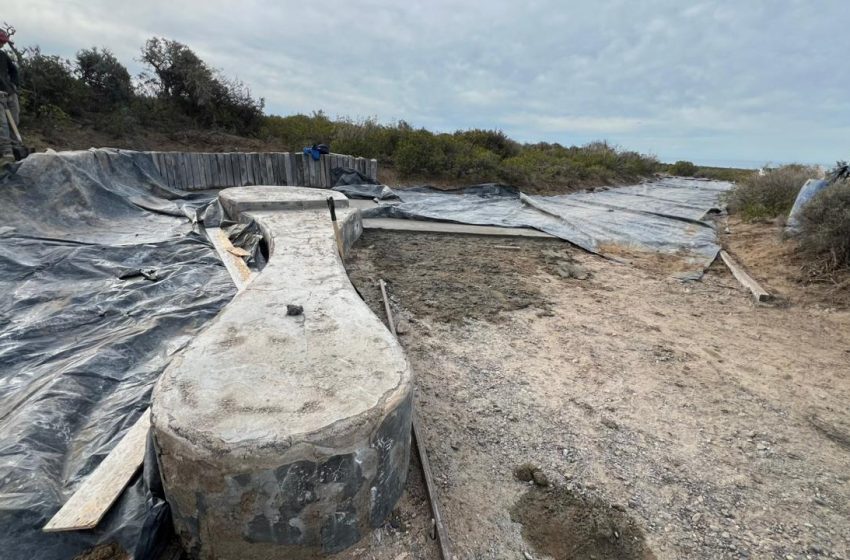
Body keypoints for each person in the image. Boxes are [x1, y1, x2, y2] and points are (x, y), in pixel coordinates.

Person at [0, 29, 20, 168]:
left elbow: (14, 70)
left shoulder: (2, 55)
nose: (2, 44)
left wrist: (14, 84)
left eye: (3, 42)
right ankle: (6, 154)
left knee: (15, 119)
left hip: (10, 93)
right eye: (1, 41)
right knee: (2, 125)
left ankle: (16, 149)